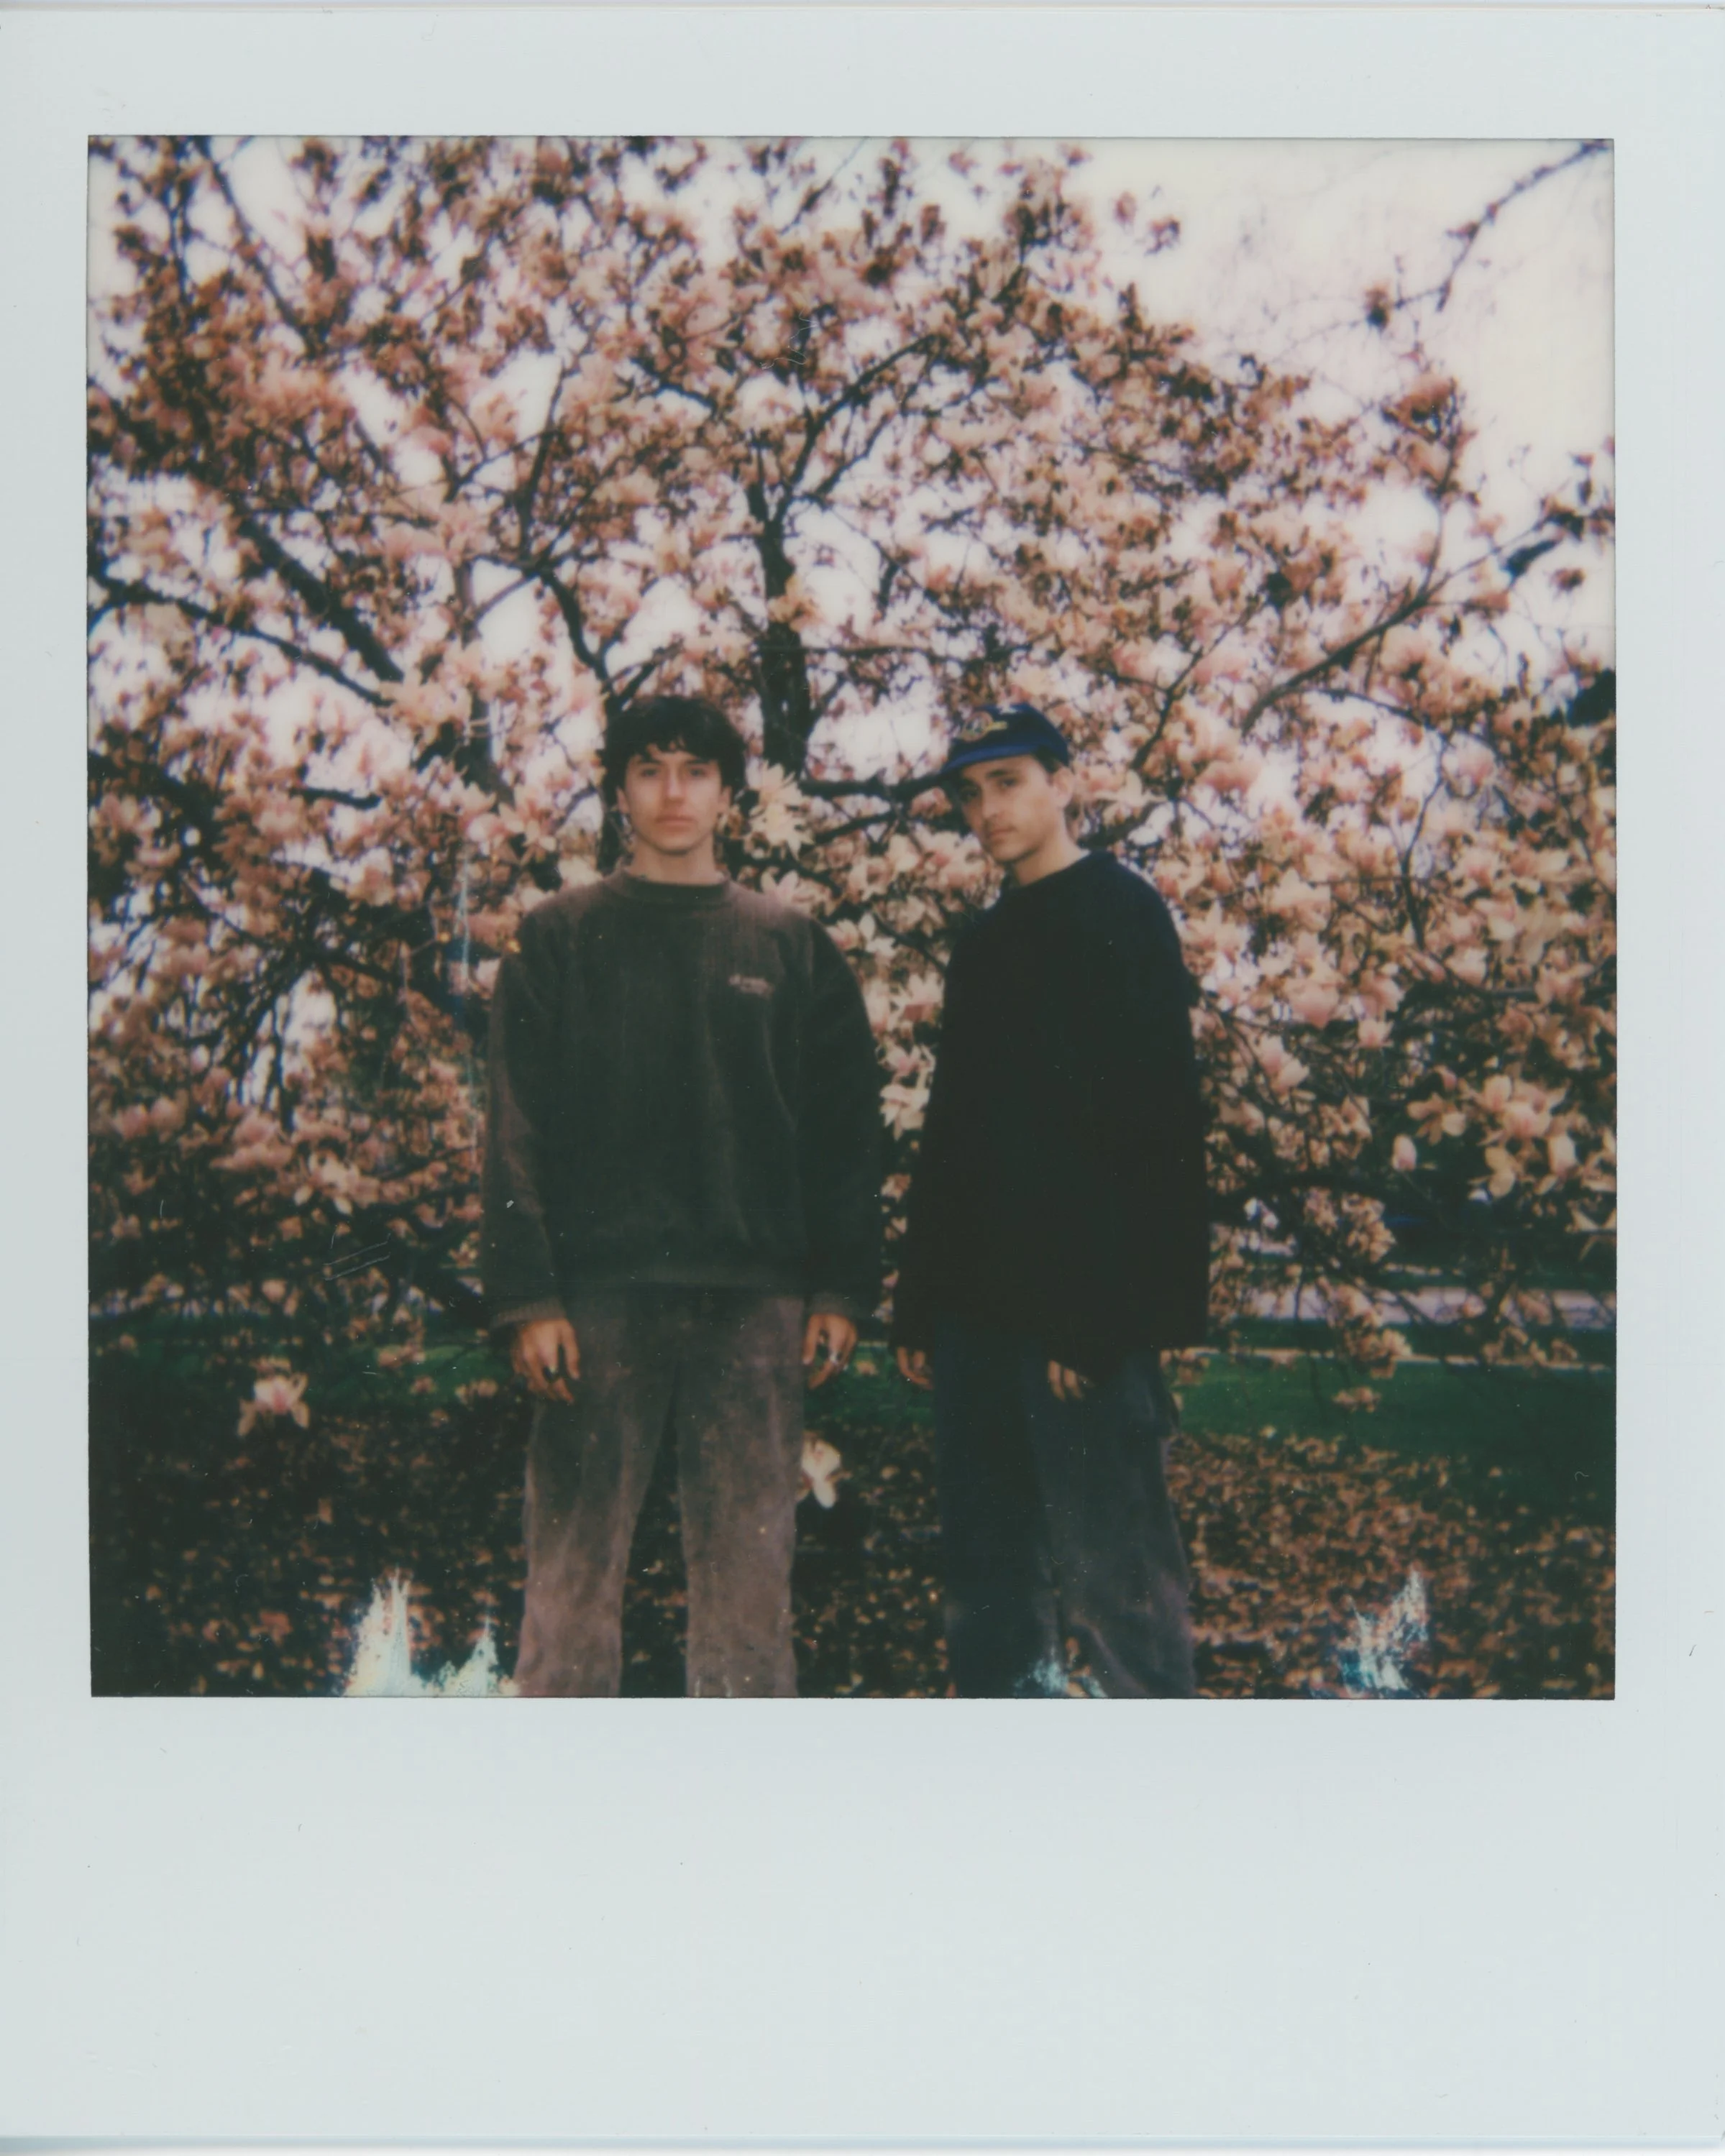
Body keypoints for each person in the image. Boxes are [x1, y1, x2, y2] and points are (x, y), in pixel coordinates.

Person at [482, 693, 881, 1697]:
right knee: (570, 1583)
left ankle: (741, 1819)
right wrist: (529, 1298)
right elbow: (514, 1127)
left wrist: (838, 1286)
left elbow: (842, 1136)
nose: (673, 791)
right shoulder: (558, 937)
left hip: (754, 1307)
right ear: (618, 790)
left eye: (695, 770)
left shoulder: (789, 947)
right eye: (649, 768)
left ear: (726, 793)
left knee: (749, 1594)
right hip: (597, 1304)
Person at [892, 702, 1209, 1699]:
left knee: (1115, 1573)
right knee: (987, 1576)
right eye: (969, 794)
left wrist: (1100, 1320)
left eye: (1009, 783)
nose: (986, 810)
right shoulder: (984, 945)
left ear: (1063, 782)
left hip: (1079, 1318)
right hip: (976, 1315)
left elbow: (1153, 1129)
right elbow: (955, 1132)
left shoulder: (1119, 912)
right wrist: (919, 1298)